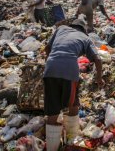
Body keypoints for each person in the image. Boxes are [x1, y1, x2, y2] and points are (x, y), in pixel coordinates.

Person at [43, 19, 105, 151]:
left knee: (52, 110)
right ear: (84, 30)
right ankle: (71, 141)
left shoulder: (61, 29)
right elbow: (98, 59)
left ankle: (51, 148)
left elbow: (47, 49)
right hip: (69, 71)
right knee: (73, 105)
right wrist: (99, 78)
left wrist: (51, 63)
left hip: (50, 69)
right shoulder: (85, 38)